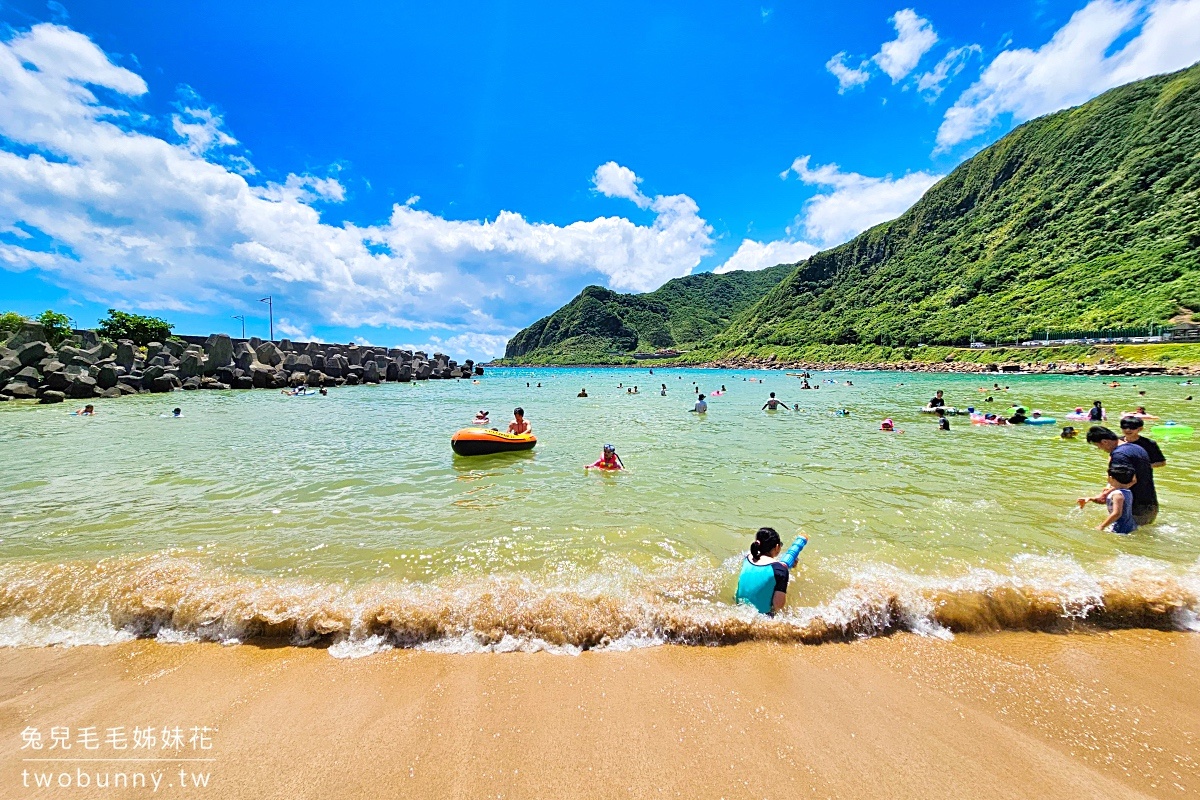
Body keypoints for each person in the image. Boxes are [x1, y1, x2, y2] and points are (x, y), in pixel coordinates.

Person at [1086, 426, 1157, 525]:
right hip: (1150, 504)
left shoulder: (1119, 455)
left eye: (1098, 446)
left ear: (1105, 442)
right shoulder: (1136, 448)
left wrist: (1104, 495)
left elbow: (1127, 481)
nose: (1099, 449)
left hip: (1134, 506)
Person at [734, 527, 807, 616]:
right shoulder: (780, 570)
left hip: (738, 609)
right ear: (777, 547)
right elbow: (778, 606)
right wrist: (784, 572)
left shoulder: (748, 558)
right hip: (762, 618)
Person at [1077, 464, 1138, 534]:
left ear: (1111, 478)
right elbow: (1134, 480)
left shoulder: (1117, 495)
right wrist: (1091, 499)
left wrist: (1102, 526)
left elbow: (1117, 513)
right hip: (1130, 526)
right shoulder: (1127, 490)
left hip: (1119, 528)